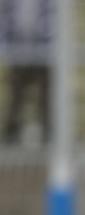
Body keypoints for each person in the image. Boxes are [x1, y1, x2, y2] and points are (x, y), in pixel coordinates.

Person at [0, 0, 54, 144]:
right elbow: (5, 19)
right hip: (18, 50)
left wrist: (48, 47)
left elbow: (53, 20)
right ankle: (11, 131)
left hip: (42, 51)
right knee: (16, 94)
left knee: (45, 94)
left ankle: (48, 131)